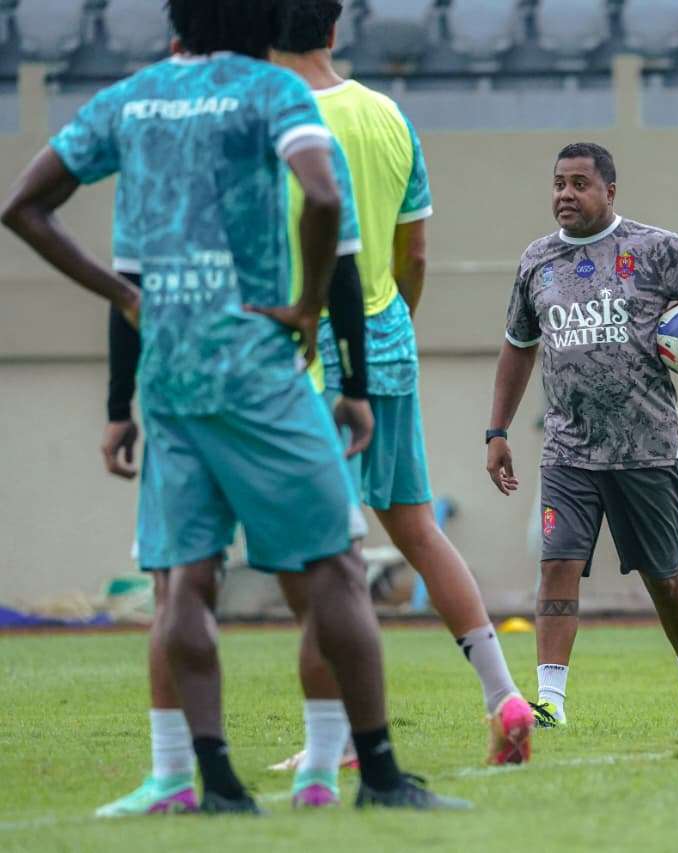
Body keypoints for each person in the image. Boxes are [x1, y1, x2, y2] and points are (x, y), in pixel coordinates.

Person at [1, 0, 464, 812]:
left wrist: (124, 301)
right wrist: (311, 311)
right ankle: (379, 774)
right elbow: (324, 201)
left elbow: (22, 207)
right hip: (258, 367)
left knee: (186, 576)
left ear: (176, 27)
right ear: (263, 31)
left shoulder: (130, 98)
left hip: (170, 374)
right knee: (335, 566)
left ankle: (206, 781)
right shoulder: (271, 92)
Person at [267, 0, 533, 787]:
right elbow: (414, 252)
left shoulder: (272, 119)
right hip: (387, 339)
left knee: (327, 554)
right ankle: (504, 694)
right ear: (335, 29)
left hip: (313, 357)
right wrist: (394, 325)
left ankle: (340, 738)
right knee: (417, 529)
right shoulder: (389, 115)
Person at [485, 142, 678, 729]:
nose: (565, 194)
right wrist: (496, 430)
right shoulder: (537, 260)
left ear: (609, 191)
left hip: (646, 448)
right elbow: (518, 346)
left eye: (579, 184)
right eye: (559, 183)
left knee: (663, 577)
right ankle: (550, 702)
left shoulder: (654, 249)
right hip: (567, 449)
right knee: (557, 565)